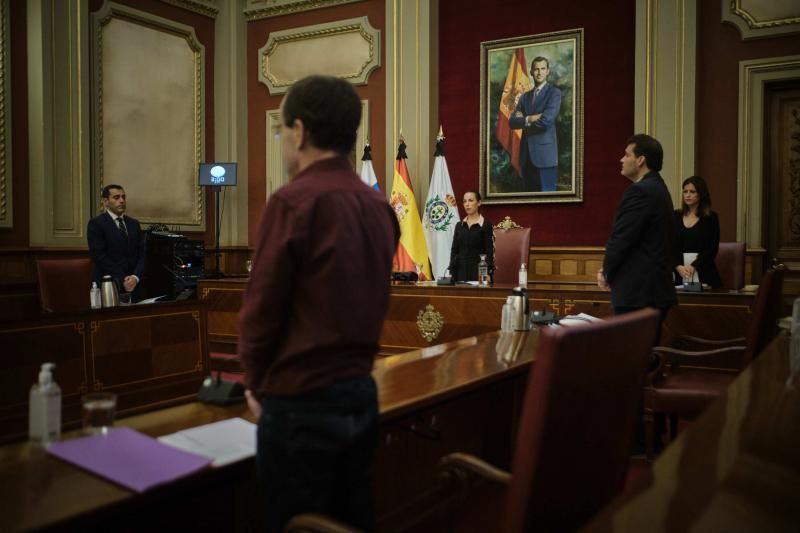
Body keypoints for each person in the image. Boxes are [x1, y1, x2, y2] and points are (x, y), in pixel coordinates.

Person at [238, 75, 400, 532]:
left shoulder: (292, 202)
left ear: (300, 131)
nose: (282, 142)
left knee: (298, 525)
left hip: (300, 404)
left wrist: (255, 383)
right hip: (361, 394)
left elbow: (261, 312)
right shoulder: (378, 207)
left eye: (281, 132)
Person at [598, 134, 677, 328]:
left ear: (640, 160)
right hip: (652, 291)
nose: (621, 160)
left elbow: (622, 238)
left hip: (638, 294)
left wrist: (607, 271)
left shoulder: (640, 191)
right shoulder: (659, 188)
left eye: (626, 155)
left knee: (629, 356)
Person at [508, 56, 562, 192]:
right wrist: (530, 118)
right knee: (529, 199)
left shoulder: (554, 93)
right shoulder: (525, 96)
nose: (539, 72)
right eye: (536, 69)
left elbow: (546, 121)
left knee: (547, 200)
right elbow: (512, 122)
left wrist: (523, 120)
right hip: (526, 156)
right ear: (531, 72)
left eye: (542, 69)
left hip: (545, 156)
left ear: (548, 71)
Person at [86, 184, 144, 296]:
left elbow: (142, 254)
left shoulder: (134, 224)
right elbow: (99, 256)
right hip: (109, 284)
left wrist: (135, 277)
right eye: (116, 197)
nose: (122, 201)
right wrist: (123, 278)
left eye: (123, 197)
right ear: (105, 201)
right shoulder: (96, 224)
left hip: (135, 285)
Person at [673, 176, 721, 288]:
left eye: (692, 191)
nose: (688, 195)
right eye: (685, 191)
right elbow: (668, 245)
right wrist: (677, 266)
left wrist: (695, 266)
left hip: (704, 272)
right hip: (680, 274)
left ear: (701, 194)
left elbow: (712, 248)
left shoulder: (711, 218)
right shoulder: (675, 216)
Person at [448, 190, 494, 282]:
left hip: (479, 272)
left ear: (479, 203)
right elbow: (454, 250)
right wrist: (452, 271)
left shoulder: (486, 225)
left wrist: (488, 273)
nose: (467, 204)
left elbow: (489, 251)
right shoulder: (459, 225)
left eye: (470, 200)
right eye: (465, 201)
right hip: (459, 273)